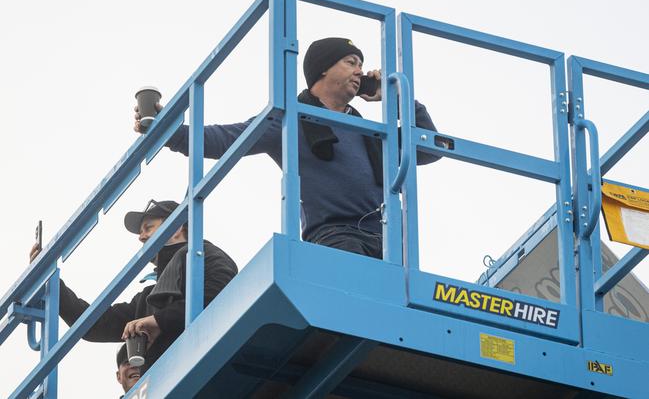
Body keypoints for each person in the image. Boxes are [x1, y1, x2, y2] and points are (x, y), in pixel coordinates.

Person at [135, 37, 439, 259]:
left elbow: (428, 148)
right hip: (335, 237)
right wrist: (168, 130)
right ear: (322, 70)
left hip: (388, 239)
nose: (361, 71)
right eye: (351, 62)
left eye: (361, 64)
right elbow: (224, 140)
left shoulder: (373, 132)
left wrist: (400, 98)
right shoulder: (290, 120)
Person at [29, 199, 238, 374]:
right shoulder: (149, 297)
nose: (141, 237)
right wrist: (51, 281)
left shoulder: (206, 255)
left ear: (176, 228)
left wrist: (158, 321)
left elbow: (219, 296)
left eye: (148, 228)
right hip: (166, 378)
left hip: (211, 363)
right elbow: (95, 325)